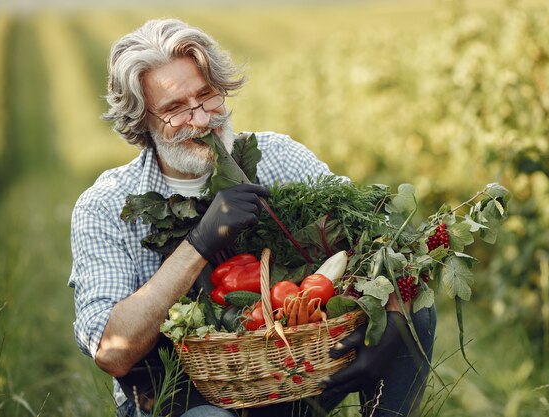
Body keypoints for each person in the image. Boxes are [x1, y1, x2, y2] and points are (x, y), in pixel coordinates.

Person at [68, 18, 436, 417]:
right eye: (175, 109)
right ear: (143, 122)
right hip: (175, 399)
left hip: (294, 376)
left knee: (415, 312)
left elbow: (394, 243)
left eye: (207, 96)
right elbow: (112, 351)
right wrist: (199, 244)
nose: (202, 119)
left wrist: (390, 331)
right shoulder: (106, 205)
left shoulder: (278, 158)